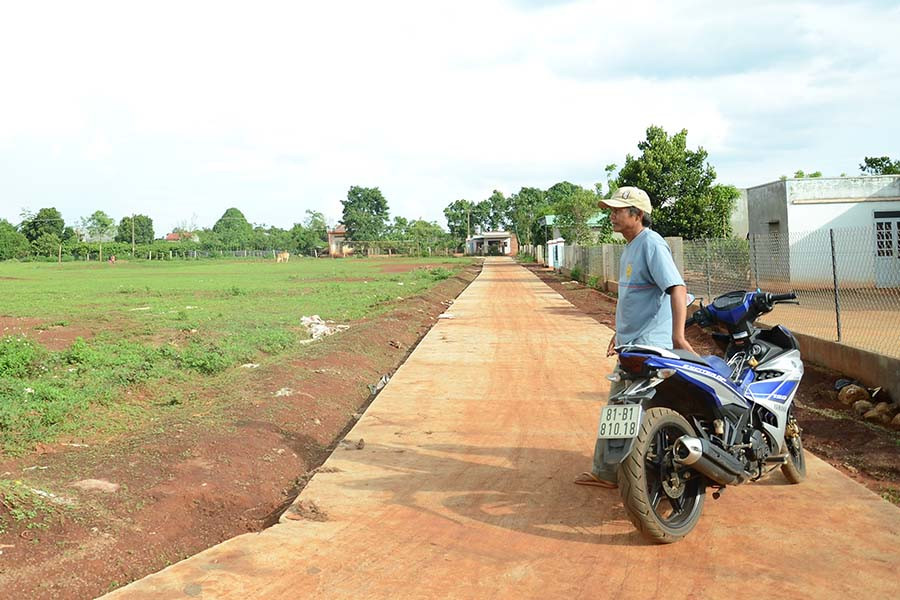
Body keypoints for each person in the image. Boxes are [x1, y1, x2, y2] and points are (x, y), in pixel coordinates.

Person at [574, 186, 695, 489]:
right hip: (633, 345)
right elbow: (635, 298)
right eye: (611, 210)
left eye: (617, 211)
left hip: (651, 347)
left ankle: (626, 471)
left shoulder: (651, 244)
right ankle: (608, 472)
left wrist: (678, 337)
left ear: (638, 215)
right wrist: (620, 332)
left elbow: (677, 289)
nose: (611, 216)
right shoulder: (630, 246)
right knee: (619, 406)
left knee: (630, 407)